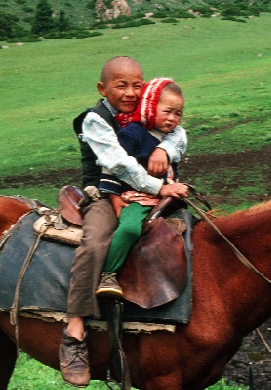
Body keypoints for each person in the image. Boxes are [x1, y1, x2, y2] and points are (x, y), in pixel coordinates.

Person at [60, 57, 188, 388]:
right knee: (98, 239)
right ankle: (74, 329)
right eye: (121, 86)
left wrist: (164, 149)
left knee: (193, 230)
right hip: (106, 191)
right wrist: (160, 186)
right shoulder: (94, 120)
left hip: (153, 193)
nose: (131, 92)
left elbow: (178, 130)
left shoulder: (145, 113)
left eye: (137, 85)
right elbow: (119, 165)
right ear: (102, 88)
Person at [96, 77, 184, 298]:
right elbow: (113, 167)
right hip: (139, 196)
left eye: (178, 114)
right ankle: (108, 275)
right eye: (168, 111)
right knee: (130, 228)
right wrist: (113, 195)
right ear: (150, 106)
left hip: (169, 196)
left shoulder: (171, 135)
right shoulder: (131, 133)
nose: (172, 119)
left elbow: (181, 139)